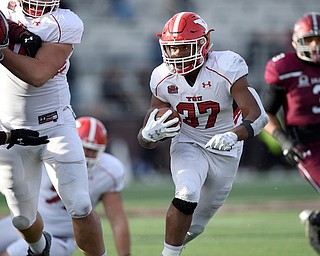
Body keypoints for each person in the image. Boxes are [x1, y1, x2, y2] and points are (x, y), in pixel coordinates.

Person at [137, 11, 269, 256]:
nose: (176, 55)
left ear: (203, 44)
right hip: (188, 142)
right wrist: (148, 134)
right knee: (186, 193)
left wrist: (233, 135)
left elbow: (258, 116)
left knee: (195, 226)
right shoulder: (161, 76)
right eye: (171, 48)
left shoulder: (227, 66)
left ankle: (175, 244)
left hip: (225, 149)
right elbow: (147, 133)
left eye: (184, 48)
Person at [0, 1, 106, 255]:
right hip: (8, 129)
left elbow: (38, 75)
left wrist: (12, 40)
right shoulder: (7, 4)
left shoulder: (65, 22)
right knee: (22, 219)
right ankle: (39, 248)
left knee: (80, 205)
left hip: (55, 126)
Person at [0, 116, 131, 256]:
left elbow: (117, 221)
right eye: (84, 148)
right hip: (30, 222)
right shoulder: (51, 151)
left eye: (93, 151)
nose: (87, 155)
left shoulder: (109, 170)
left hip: (59, 236)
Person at [262, 12, 320, 254]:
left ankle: (316, 220)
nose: (316, 46)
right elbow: (266, 114)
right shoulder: (283, 67)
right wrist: (283, 140)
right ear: (296, 42)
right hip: (308, 144)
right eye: (310, 40)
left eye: (319, 39)